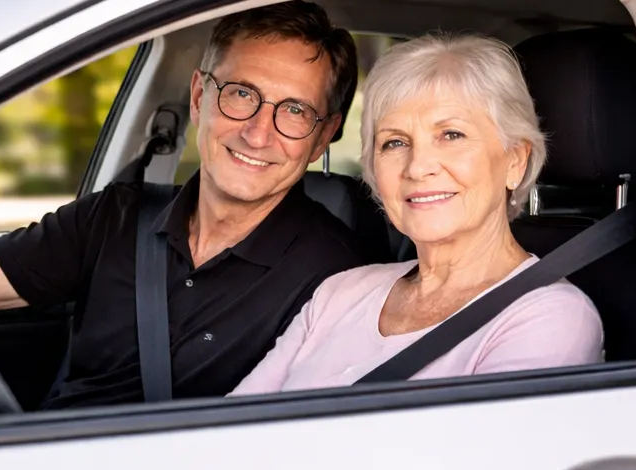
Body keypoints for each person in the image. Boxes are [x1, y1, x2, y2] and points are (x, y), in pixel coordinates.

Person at [0, 0, 368, 407]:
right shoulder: (114, 218)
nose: (259, 132)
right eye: (242, 94)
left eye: (294, 111)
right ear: (199, 98)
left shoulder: (339, 275)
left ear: (324, 135)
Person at [231, 32, 602, 396]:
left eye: (452, 135)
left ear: (515, 161)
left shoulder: (549, 318)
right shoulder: (339, 293)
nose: (418, 166)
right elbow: (229, 430)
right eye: (395, 142)